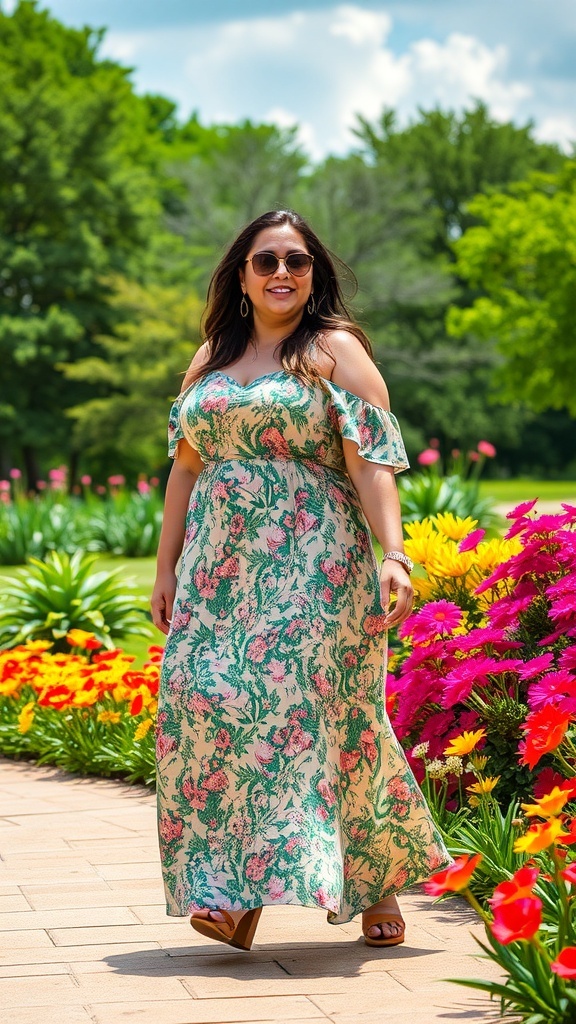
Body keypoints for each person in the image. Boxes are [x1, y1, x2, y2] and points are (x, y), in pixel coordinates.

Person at [151, 209, 451, 952]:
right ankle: (233, 885)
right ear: (242, 276)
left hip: (314, 563)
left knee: (312, 713)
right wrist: (165, 567)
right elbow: (185, 469)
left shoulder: (332, 350)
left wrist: (394, 553)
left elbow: (371, 460)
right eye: (266, 261)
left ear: (313, 273)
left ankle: (367, 884)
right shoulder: (210, 361)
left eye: (297, 260)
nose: (282, 272)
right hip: (220, 572)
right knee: (205, 703)